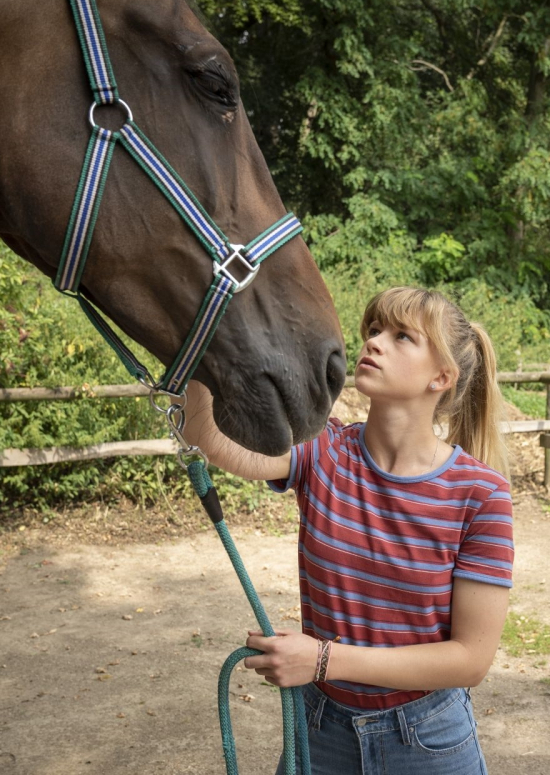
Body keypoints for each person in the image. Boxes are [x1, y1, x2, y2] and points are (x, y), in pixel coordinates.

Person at [180, 286, 514, 774]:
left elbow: (470, 660)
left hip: (428, 740)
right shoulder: (324, 450)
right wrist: (203, 330)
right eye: (374, 330)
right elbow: (208, 440)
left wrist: (322, 661)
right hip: (321, 731)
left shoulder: (480, 495)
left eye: (402, 337)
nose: (374, 342)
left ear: (441, 376)